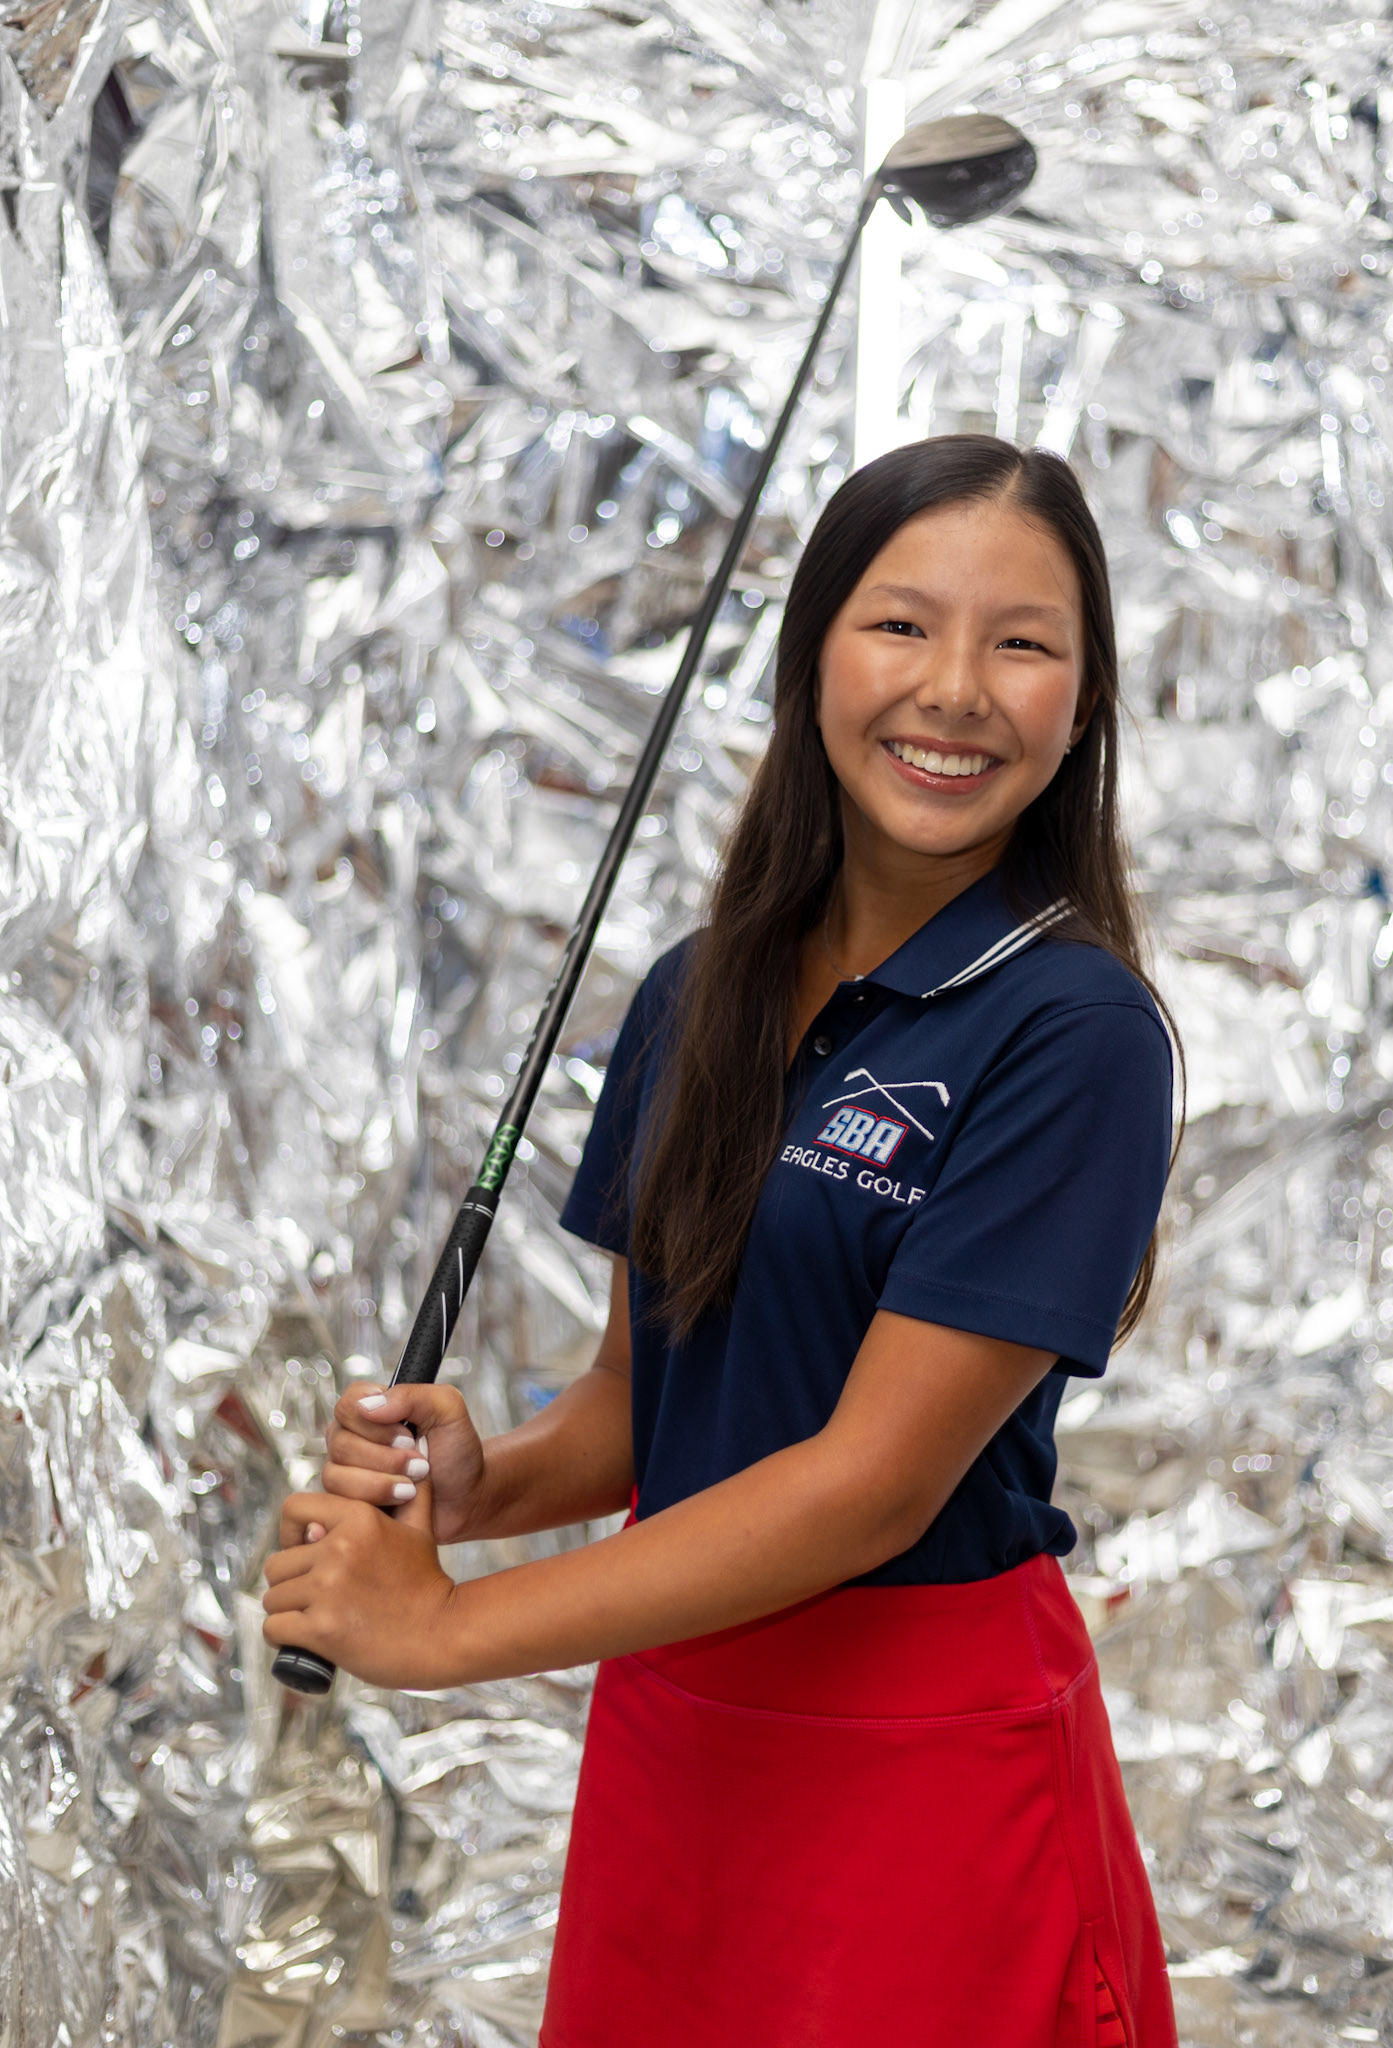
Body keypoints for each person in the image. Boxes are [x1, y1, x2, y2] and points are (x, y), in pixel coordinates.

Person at [263, 433, 1181, 2047]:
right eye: (900, 624)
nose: (954, 687)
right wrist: (494, 1487)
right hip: (680, 1741)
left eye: (1021, 642)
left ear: (1083, 702)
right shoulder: (700, 991)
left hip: (923, 1763)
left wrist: (445, 1631)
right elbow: (645, 1407)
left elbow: (867, 1483)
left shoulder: (1075, 1027)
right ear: (812, 650)